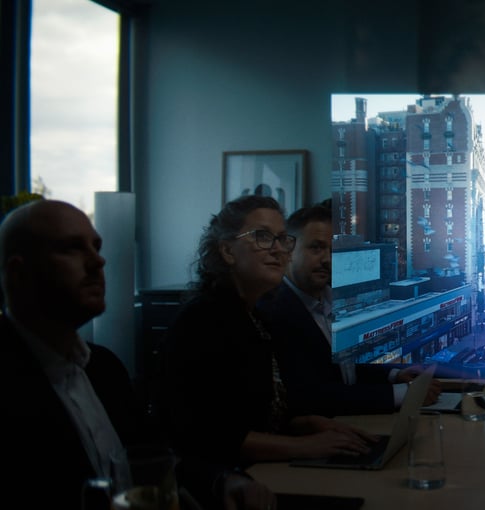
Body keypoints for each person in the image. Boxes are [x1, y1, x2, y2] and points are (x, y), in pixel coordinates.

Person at [0, 200, 274, 510]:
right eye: (71, 248)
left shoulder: (103, 367)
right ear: (18, 273)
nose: (97, 261)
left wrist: (222, 480)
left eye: (96, 247)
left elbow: (154, 456)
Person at [164, 195, 378, 471]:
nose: (278, 250)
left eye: (282, 239)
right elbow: (204, 434)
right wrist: (304, 446)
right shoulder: (201, 320)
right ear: (228, 251)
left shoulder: (254, 316)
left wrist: (307, 423)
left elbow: (258, 415)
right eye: (263, 237)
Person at [259, 199, 439, 417]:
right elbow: (311, 395)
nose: (327, 259)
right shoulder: (272, 311)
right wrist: (403, 394)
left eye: (333, 251)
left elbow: (345, 372)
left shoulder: (330, 302)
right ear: (288, 248)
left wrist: (394, 376)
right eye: (316, 248)